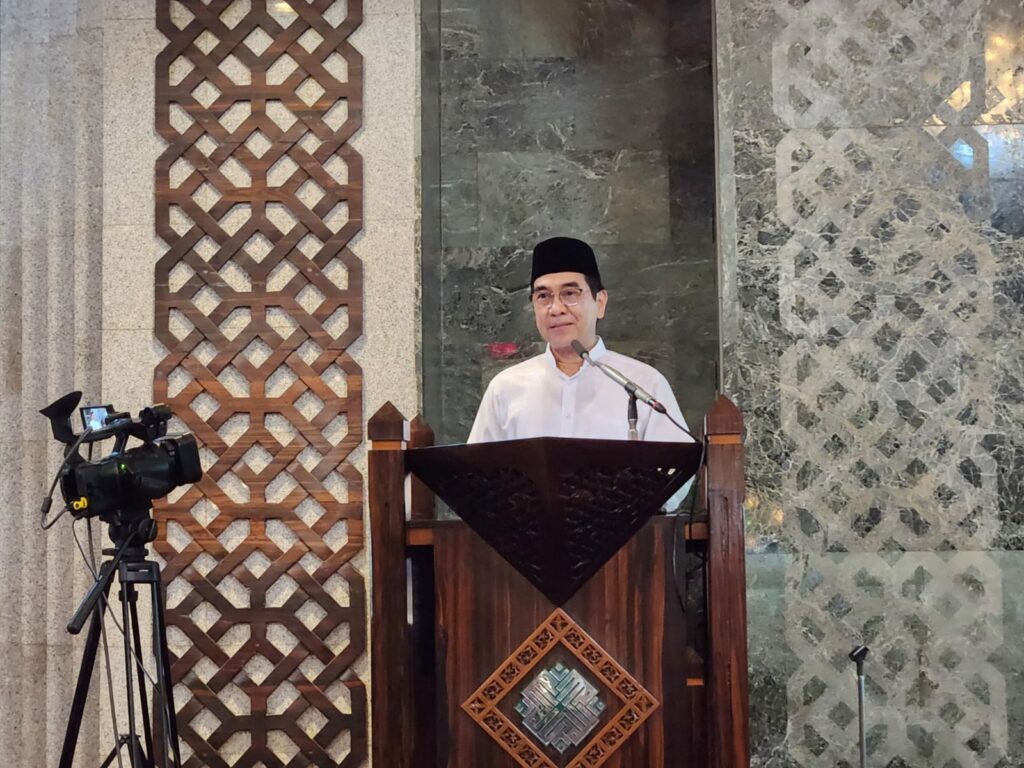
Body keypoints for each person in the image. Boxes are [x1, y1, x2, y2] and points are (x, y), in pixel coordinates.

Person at [468, 236, 693, 445]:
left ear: (600, 302)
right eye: (543, 296)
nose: (556, 309)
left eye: (570, 294)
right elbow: (477, 474)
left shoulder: (644, 385)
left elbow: (675, 477)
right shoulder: (505, 388)